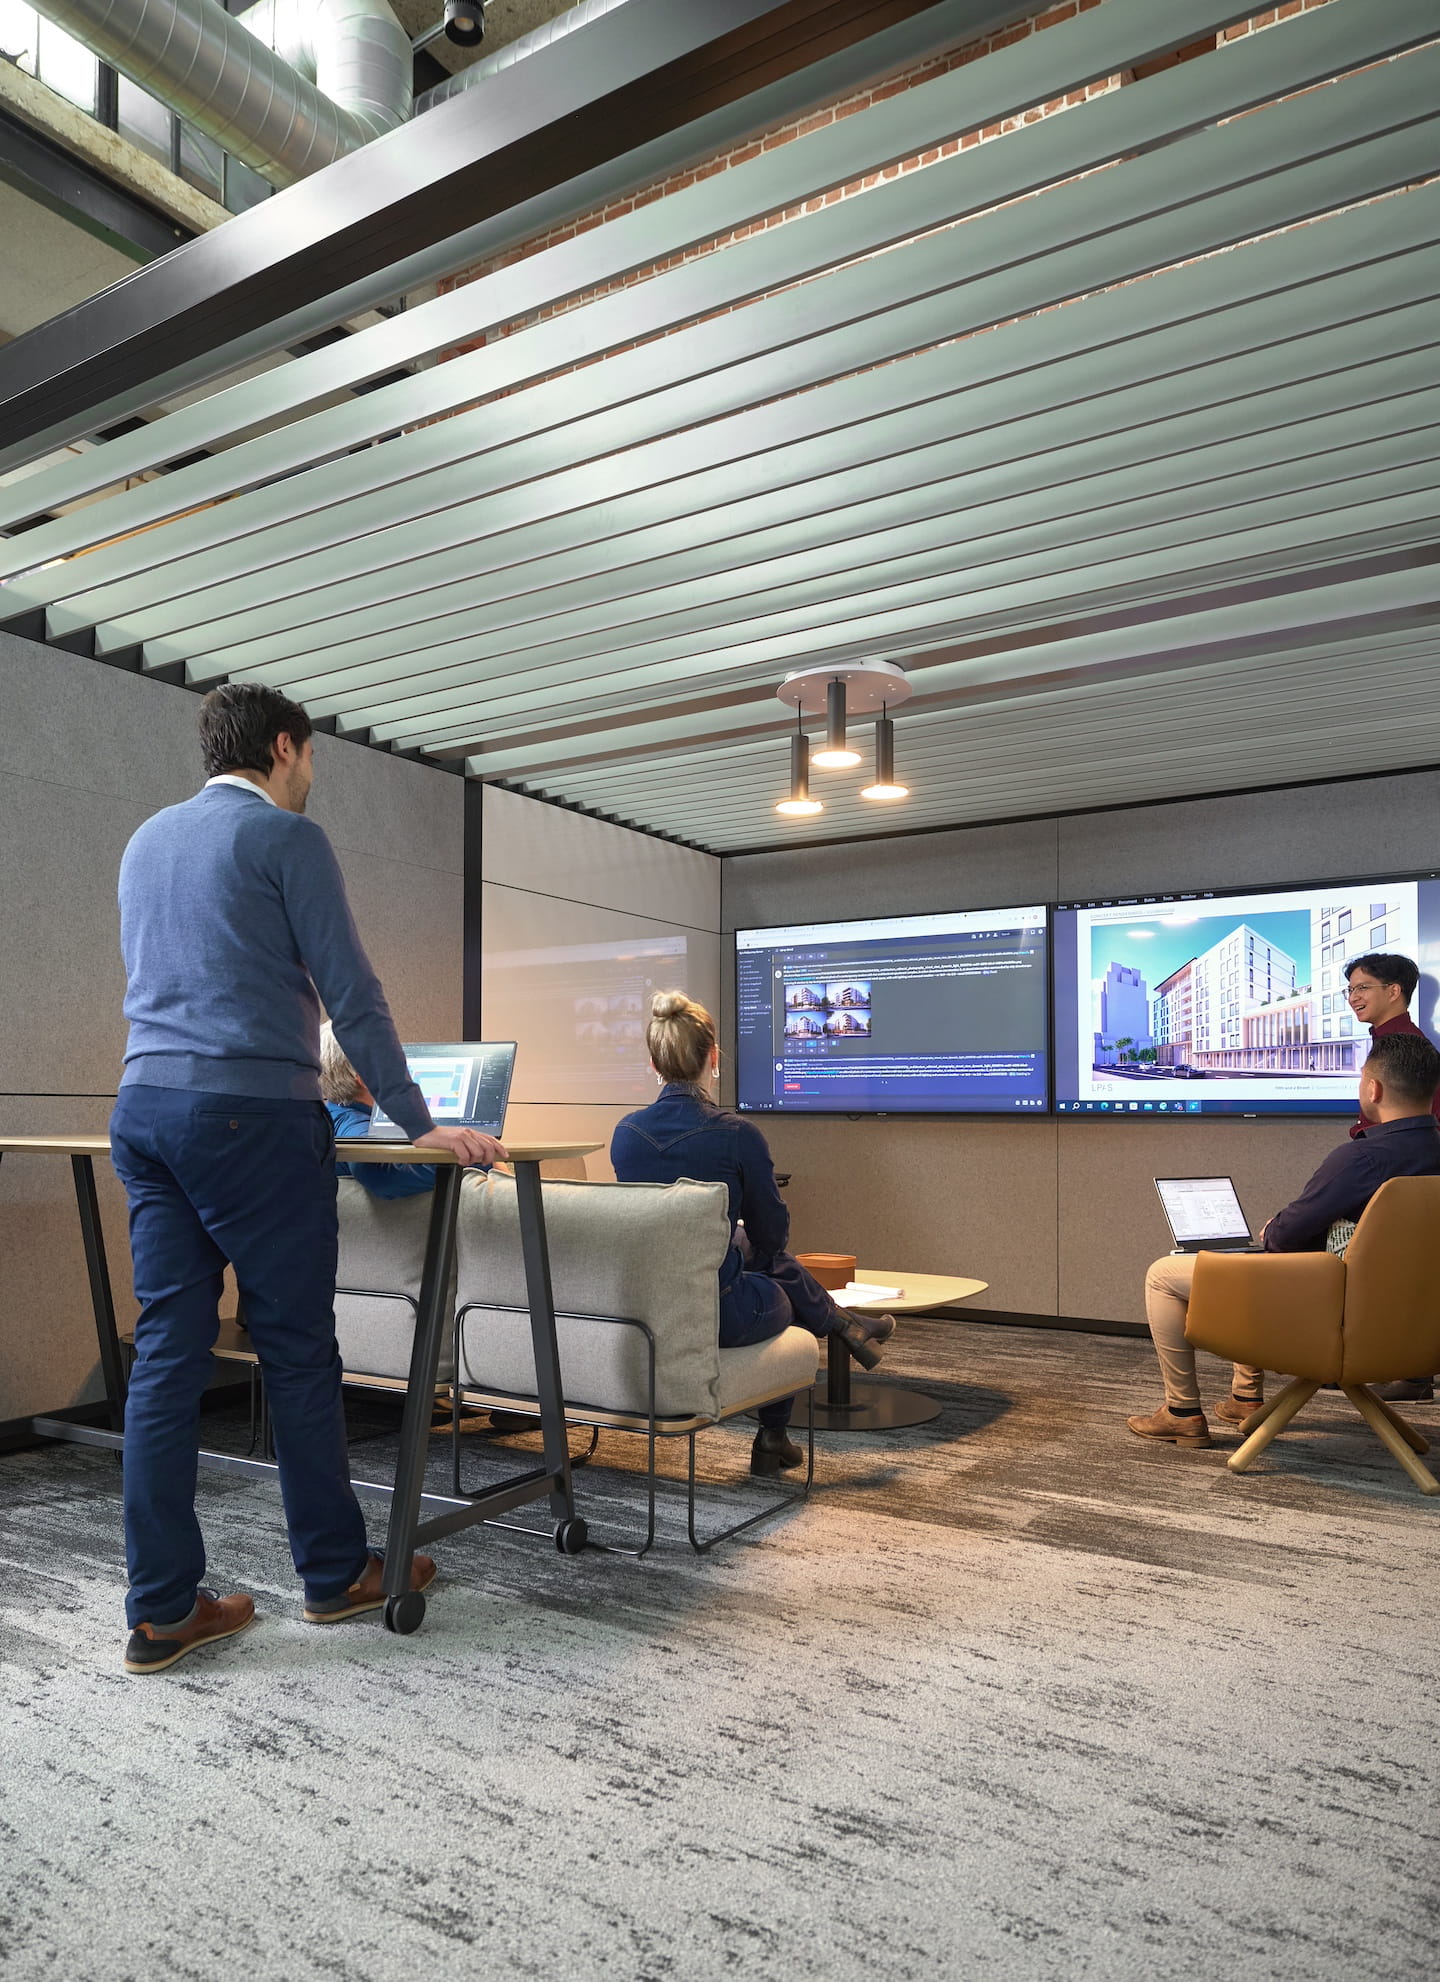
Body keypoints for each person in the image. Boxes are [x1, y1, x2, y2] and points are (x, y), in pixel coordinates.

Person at [111, 684, 504, 1675]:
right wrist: (424, 1123)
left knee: (167, 1352)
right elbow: (354, 998)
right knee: (295, 1348)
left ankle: (161, 1609)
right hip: (250, 1117)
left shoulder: (145, 843)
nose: (311, 777)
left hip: (144, 1110)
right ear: (284, 749)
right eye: (312, 758)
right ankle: (334, 1573)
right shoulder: (289, 840)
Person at [610, 990, 895, 1477]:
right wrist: (746, 1238)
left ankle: (847, 1327)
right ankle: (776, 1431)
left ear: (653, 1061)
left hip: (647, 1305)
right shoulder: (737, 1133)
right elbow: (773, 1235)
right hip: (720, 1312)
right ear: (712, 1057)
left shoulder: (625, 1133)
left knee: (756, 1257)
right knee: (778, 1276)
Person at [1127, 1031, 1440, 1449]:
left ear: (1373, 1088)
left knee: (1164, 1274)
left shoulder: (1362, 1157)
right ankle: (1243, 1397)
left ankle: (1182, 1413)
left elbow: (1285, 1239)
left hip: (1342, 1323)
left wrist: (1275, 1227)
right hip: (1418, 1332)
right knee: (1260, 1262)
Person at [1343, 954, 1440, 1399]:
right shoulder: (1391, 1041)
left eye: (1362, 987)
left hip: (1387, 1179)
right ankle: (1412, 1371)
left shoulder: (1407, 1049)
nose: (1353, 997)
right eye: (1350, 990)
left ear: (1394, 990)